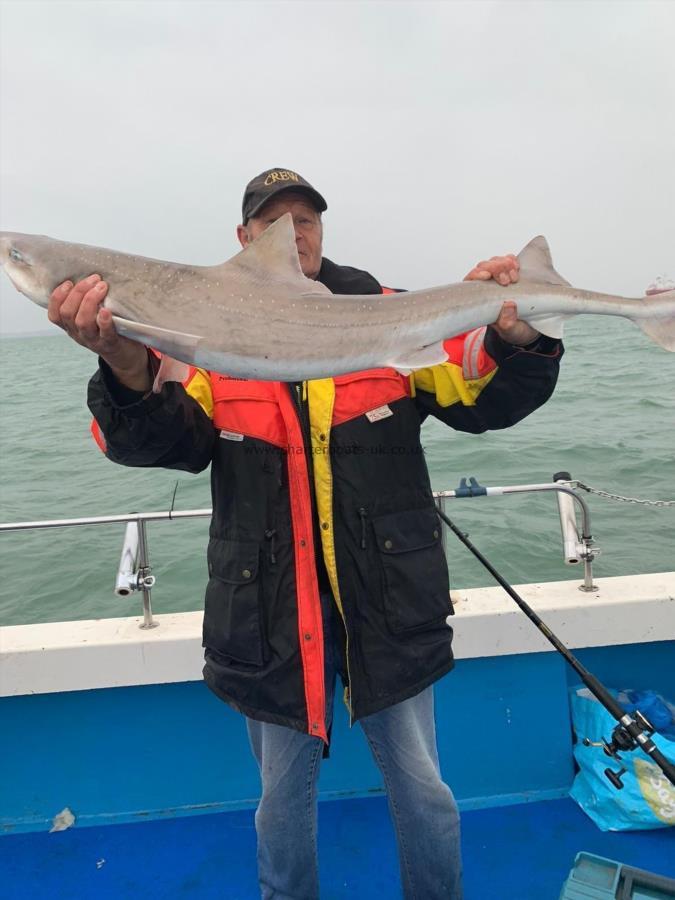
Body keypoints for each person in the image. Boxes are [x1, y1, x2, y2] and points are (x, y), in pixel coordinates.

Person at [48, 168, 563, 900]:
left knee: (425, 794)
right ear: (243, 239)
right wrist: (123, 362)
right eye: (273, 223)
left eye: (306, 220)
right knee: (280, 813)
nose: (293, 235)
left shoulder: (387, 311)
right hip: (271, 622)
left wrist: (518, 336)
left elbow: (484, 396)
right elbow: (161, 442)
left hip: (388, 610)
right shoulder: (199, 338)